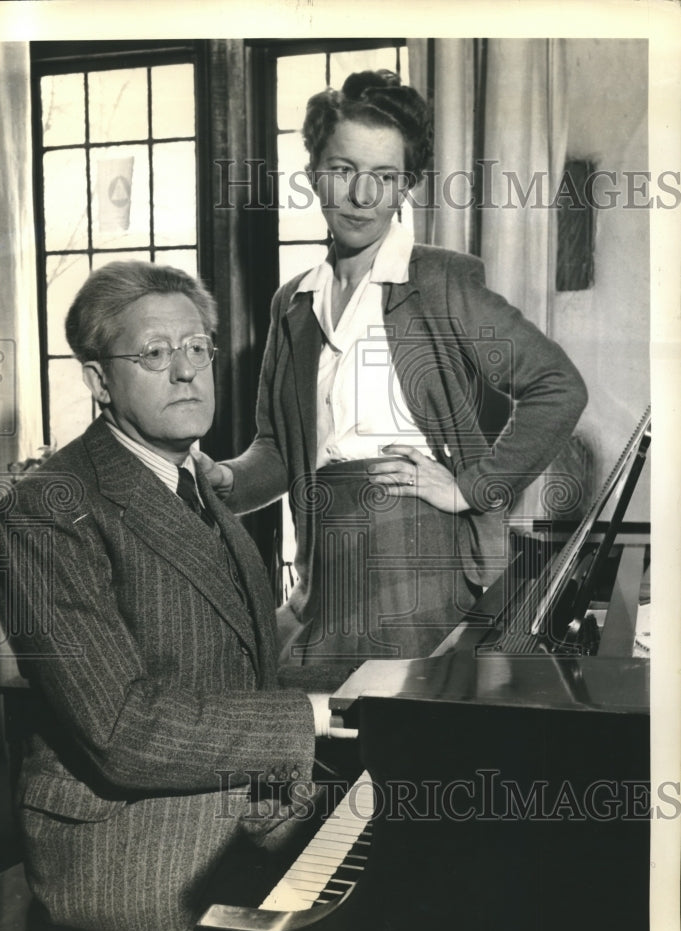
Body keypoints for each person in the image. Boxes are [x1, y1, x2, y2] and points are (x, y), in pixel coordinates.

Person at [0, 261, 350, 931]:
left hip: (237, 819)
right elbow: (121, 731)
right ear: (99, 381)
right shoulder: (48, 509)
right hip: (131, 857)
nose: (186, 371)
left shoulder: (197, 482)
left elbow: (233, 666)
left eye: (196, 348)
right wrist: (310, 716)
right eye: (154, 353)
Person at [201, 70, 589, 689]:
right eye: (342, 168)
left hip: (417, 554)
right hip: (326, 567)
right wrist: (226, 478)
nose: (359, 194)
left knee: (389, 745)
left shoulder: (438, 282)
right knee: (308, 739)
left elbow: (558, 386)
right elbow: (280, 452)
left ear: (405, 187)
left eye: (384, 177)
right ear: (312, 173)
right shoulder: (292, 304)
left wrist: (472, 487)